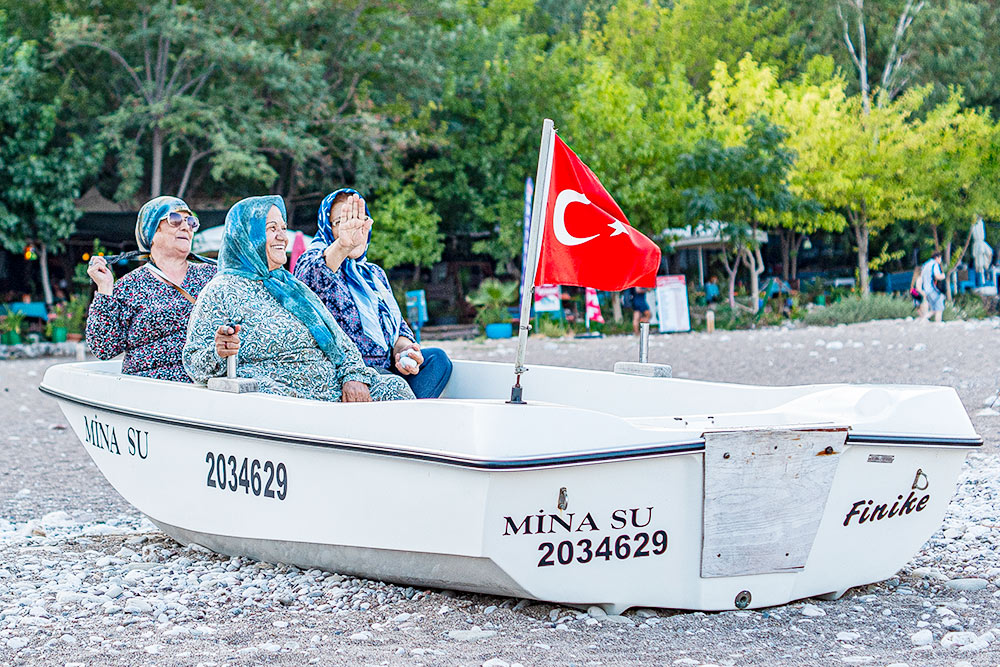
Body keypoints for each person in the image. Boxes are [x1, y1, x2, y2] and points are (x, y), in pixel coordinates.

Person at [183, 195, 414, 402]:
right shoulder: (222, 289)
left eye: (283, 227)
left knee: (394, 388)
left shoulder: (291, 286)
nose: (282, 236)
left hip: (331, 389)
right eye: (271, 228)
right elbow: (194, 364)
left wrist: (353, 376)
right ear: (245, 235)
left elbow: (340, 340)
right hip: (278, 395)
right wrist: (219, 351)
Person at [293, 188, 452, 398]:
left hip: (387, 370)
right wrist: (342, 245)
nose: (354, 228)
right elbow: (311, 277)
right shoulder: (314, 261)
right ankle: (403, 410)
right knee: (391, 382)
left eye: (360, 219)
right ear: (327, 227)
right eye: (342, 222)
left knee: (437, 360)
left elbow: (398, 328)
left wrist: (404, 352)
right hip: (350, 374)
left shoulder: (374, 274)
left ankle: (401, 410)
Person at [86, 196, 216, 381]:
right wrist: (105, 287)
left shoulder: (212, 277)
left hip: (207, 385)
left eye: (190, 222)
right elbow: (104, 348)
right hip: (148, 389)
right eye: (175, 220)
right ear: (152, 231)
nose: (186, 227)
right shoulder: (129, 285)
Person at [919, 250, 946, 323]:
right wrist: (943, 276)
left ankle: (923, 320)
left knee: (934, 310)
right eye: (940, 258)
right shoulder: (935, 264)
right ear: (937, 258)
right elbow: (937, 276)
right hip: (933, 289)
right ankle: (938, 324)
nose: (941, 260)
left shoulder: (926, 264)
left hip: (926, 289)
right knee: (939, 309)